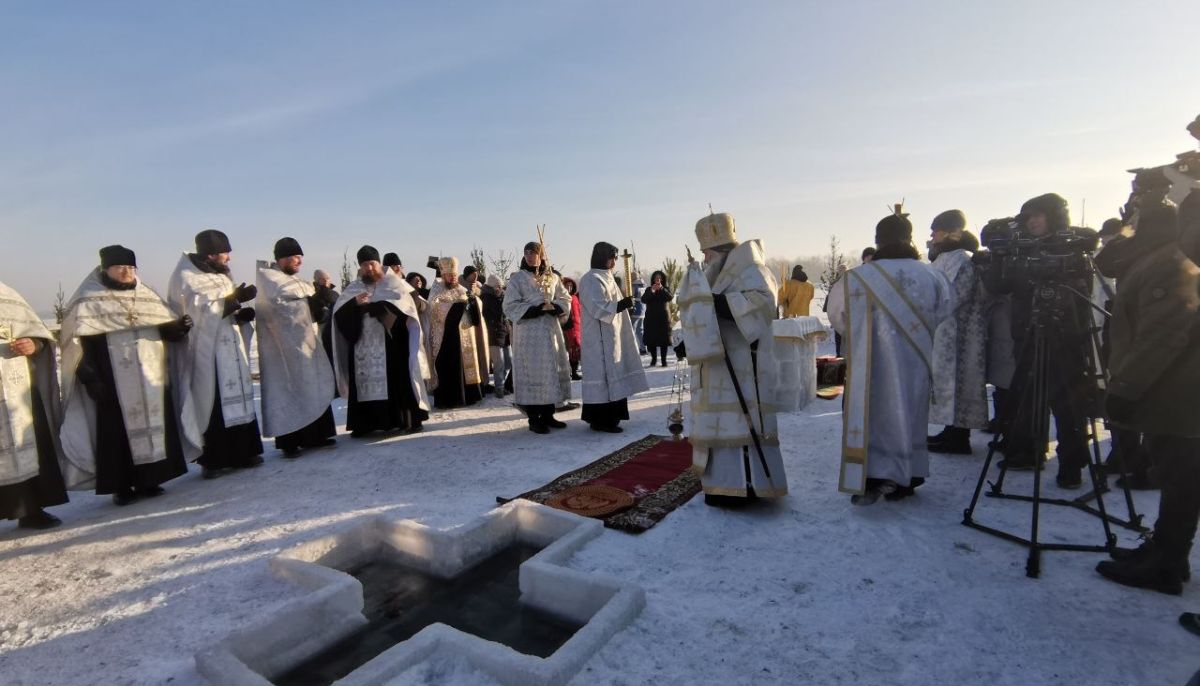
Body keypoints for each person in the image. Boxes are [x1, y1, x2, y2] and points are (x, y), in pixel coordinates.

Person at [1094, 199, 1200, 596]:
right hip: (1173, 390)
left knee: (1180, 479)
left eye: (1136, 222)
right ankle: (1166, 550)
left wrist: (1125, 390)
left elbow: (1162, 336)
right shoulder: (1164, 259)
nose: (1129, 228)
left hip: (1173, 392)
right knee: (1177, 478)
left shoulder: (1168, 264)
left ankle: (1167, 564)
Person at [828, 208, 952, 505]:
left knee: (873, 416)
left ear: (878, 241)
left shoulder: (857, 278)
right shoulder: (933, 275)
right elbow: (945, 312)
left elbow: (838, 317)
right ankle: (907, 478)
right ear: (909, 239)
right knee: (909, 414)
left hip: (871, 366)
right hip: (917, 363)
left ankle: (873, 476)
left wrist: (864, 336)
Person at [59, 245, 195, 505]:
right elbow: (77, 347)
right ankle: (121, 486)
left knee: (156, 426)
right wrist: (91, 379)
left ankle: (151, 479)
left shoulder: (146, 296)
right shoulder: (88, 300)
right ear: (105, 269)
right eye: (120, 267)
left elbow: (164, 331)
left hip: (150, 377)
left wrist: (178, 329)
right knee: (117, 434)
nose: (127, 272)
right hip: (111, 381)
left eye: (131, 267)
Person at [985, 194, 1097, 488]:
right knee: (1025, 396)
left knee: (1066, 402)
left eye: (1039, 215)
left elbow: (1083, 295)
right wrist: (997, 256)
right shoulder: (1021, 250)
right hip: (1028, 332)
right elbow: (999, 286)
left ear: (1054, 217)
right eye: (1028, 217)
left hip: (1066, 336)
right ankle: (1026, 451)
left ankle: (1072, 462)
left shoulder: (1072, 249)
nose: (1033, 222)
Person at [678, 212, 789, 505]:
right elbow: (702, 315)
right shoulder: (713, 272)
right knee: (720, 425)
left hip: (743, 367)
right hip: (716, 367)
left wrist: (716, 303)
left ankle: (749, 487)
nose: (703, 256)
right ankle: (721, 486)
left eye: (706, 251)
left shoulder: (752, 269)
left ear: (718, 248)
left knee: (741, 424)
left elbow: (764, 304)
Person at [167, 230, 264, 478]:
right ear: (210, 254)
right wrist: (233, 301)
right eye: (225, 253)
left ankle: (244, 452)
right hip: (206, 352)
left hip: (230, 345)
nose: (229, 259)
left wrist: (241, 315)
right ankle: (214, 459)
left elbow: (223, 310)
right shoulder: (187, 277)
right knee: (213, 401)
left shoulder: (221, 275)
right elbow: (196, 315)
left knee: (239, 395)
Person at [332, 246, 430, 437]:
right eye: (364, 265)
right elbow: (338, 317)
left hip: (393, 346)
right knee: (364, 383)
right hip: (363, 347)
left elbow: (409, 311)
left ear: (379, 263)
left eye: (372, 263)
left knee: (399, 380)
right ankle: (366, 424)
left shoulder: (395, 285)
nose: (368, 268)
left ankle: (407, 420)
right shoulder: (353, 289)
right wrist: (355, 305)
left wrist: (380, 308)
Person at [255, 238, 337, 457]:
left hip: (307, 345)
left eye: (300, 257)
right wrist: (309, 304)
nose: (299, 261)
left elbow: (311, 313)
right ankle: (291, 442)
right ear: (281, 258)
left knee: (313, 386)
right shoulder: (270, 280)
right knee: (289, 390)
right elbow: (282, 311)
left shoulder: (298, 282)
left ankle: (317, 435)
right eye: (295, 257)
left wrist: (319, 305)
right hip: (283, 350)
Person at [0, 280, 67, 528]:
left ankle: (31, 510)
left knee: (27, 445)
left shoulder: (7, 295)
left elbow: (38, 338)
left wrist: (33, 344)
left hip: (17, 387)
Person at [926, 210, 989, 455]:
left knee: (960, 384)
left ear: (953, 232)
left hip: (962, 336)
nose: (932, 235)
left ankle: (960, 437)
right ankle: (950, 430)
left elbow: (955, 295)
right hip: (945, 333)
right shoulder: (944, 257)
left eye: (937, 230)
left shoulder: (962, 259)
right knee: (945, 383)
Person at [502, 241, 572, 434]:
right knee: (532, 373)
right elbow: (509, 306)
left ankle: (549, 415)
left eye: (534, 253)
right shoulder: (517, 279)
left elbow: (565, 298)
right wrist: (533, 309)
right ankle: (534, 419)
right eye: (527, 253)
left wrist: (556, 307)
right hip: (528, 335)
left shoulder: (552, 277)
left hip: (550, 332)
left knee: (551, 372)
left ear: (542, 255)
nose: (530, 256)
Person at [578, 242, 649, 433]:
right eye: (612, 256)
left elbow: (615, 304)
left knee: (615, 373)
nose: (615, 261)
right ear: (601, 256)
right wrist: (620, 305)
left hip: (613, 335)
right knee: (603, 377)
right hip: (598, 338)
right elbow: (598, 307)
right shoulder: (590, 279)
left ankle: (614, 416)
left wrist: (625, 304)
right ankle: (601, 420)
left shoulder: (608, 277)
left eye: (616, 257)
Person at [427, 257, 488, 409]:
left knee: (467, 367)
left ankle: (470, 396)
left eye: (454, 274)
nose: (453, 277)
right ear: (443, 275)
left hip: (466, 335)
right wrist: (458, 306)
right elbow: (435, 311)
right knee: (450, 367)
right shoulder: (436, 290)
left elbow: (475, 308)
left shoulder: (461, 289)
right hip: (446, 339)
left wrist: (473, 301)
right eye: (449, 275)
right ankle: (450, 399)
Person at [481, 274, 512, 397]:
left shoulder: (501, 297)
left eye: (501, 286)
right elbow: (500, 310)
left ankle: (501, 383)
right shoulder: (487, 298)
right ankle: (499, 388)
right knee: (499, 363)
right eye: (498, 286)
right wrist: (503, 297)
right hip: (493, 335)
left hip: (504, 333)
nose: (500, 288)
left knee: (508, 362)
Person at [640, 269, 674, 366]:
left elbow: (670, 297)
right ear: (653, 279)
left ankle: (664, 360)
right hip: (651, 319)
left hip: (663, 319)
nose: (658, 280)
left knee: (664, 341)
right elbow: (643, 299)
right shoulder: (649, 289)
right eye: (656, 278)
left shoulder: (666, 289)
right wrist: (652, 291)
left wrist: (662, 289)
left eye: (659, 278)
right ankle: (654, 359)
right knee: (652, 341)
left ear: (662, 279)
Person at [560, 276, 583, 380]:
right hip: (566, 327)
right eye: (567, 286)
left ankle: (574, 371)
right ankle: (566, 372)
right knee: (567, 351)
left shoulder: (575, 298)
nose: (569, 288)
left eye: (570, 286)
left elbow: (579, 311)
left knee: (576, 350)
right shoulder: (561, 298)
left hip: (577, 327)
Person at [631, 272, 647, 355]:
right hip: (642, 311)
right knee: (640, 331)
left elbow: (631, 296)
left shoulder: (634, 286)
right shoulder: (643, 285)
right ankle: (643, 348)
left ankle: (632, 349)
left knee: (632, 330)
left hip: (635, 310)